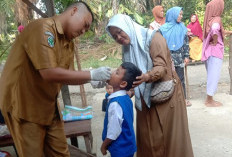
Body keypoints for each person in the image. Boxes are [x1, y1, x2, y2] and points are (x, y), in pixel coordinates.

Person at [0, 1, 111, 157]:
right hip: (24, 106)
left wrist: (90, 80)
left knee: (61, 153)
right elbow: (49, 73)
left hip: (48, 107)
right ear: (73, 11)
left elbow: (68, 75)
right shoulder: (42, 28)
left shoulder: (68, 43)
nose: (84, 31)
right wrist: (91, 74)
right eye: (85, 25)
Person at [106, 14, 194, 157]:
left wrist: (147, 76)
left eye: (120, 32)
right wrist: (128, 90)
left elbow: (162, 67)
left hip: (167, 97)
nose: (119, 38)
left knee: (172, 142)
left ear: (127, 26)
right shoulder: (127, 48)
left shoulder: (153, 37)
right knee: (148, 141)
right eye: (115, 36)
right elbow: (130, 74)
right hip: (145, 101)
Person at [101, 62, 141, 157]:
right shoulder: (126, 98)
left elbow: (113, 132)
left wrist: (104, 145)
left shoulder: (115, 104)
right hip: (127, 146)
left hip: (120, 150)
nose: (112, 72)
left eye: (117, 72)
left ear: (123, 84)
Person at [202, 0, 232, 107]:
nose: (222, 8)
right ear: (217, 7)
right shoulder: (217, 19)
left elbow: (218, 30)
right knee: (213, 75)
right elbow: (215, 29)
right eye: (221, 6)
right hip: (215, 52)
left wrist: (228, 32)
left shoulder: (209, 20)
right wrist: (215, 39)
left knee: (211, 74)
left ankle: (209, 98)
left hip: (208, 51)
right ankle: (209, 100)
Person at [159, 7, 192, 107]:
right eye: (179, 14)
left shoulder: (182, 27)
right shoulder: (162, 29)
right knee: (168, 79)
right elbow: (159, 44)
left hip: (179, 58)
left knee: (180, 79)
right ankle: (169, 99)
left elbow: (186, 43)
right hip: (167, 58)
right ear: (173, 14)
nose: (181, 16)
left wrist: (187, 56)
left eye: (182, 14)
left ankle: (183, 99)